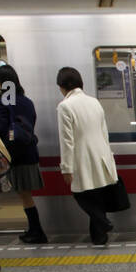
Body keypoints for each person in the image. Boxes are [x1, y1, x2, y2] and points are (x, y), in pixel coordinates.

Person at [55, 67, 118, 245]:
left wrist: (66, 168)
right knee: (97, 196)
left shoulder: (65, 106)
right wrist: (109, 156)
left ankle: (104, 223)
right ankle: (99, 237)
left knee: (80, 194)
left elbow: (67, 141)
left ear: (62, 86)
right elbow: (104, 132)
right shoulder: (94, 102)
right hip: (101, 154)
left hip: (82, 157)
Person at [0, 63, 47, 243]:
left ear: (2, 83)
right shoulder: (26, 101)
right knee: (26, 194)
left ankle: (37, 231)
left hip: (16, 155)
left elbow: (0, 127)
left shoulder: (4, 103)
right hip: (29, 151)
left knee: (24, 195)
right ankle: (34, 229)